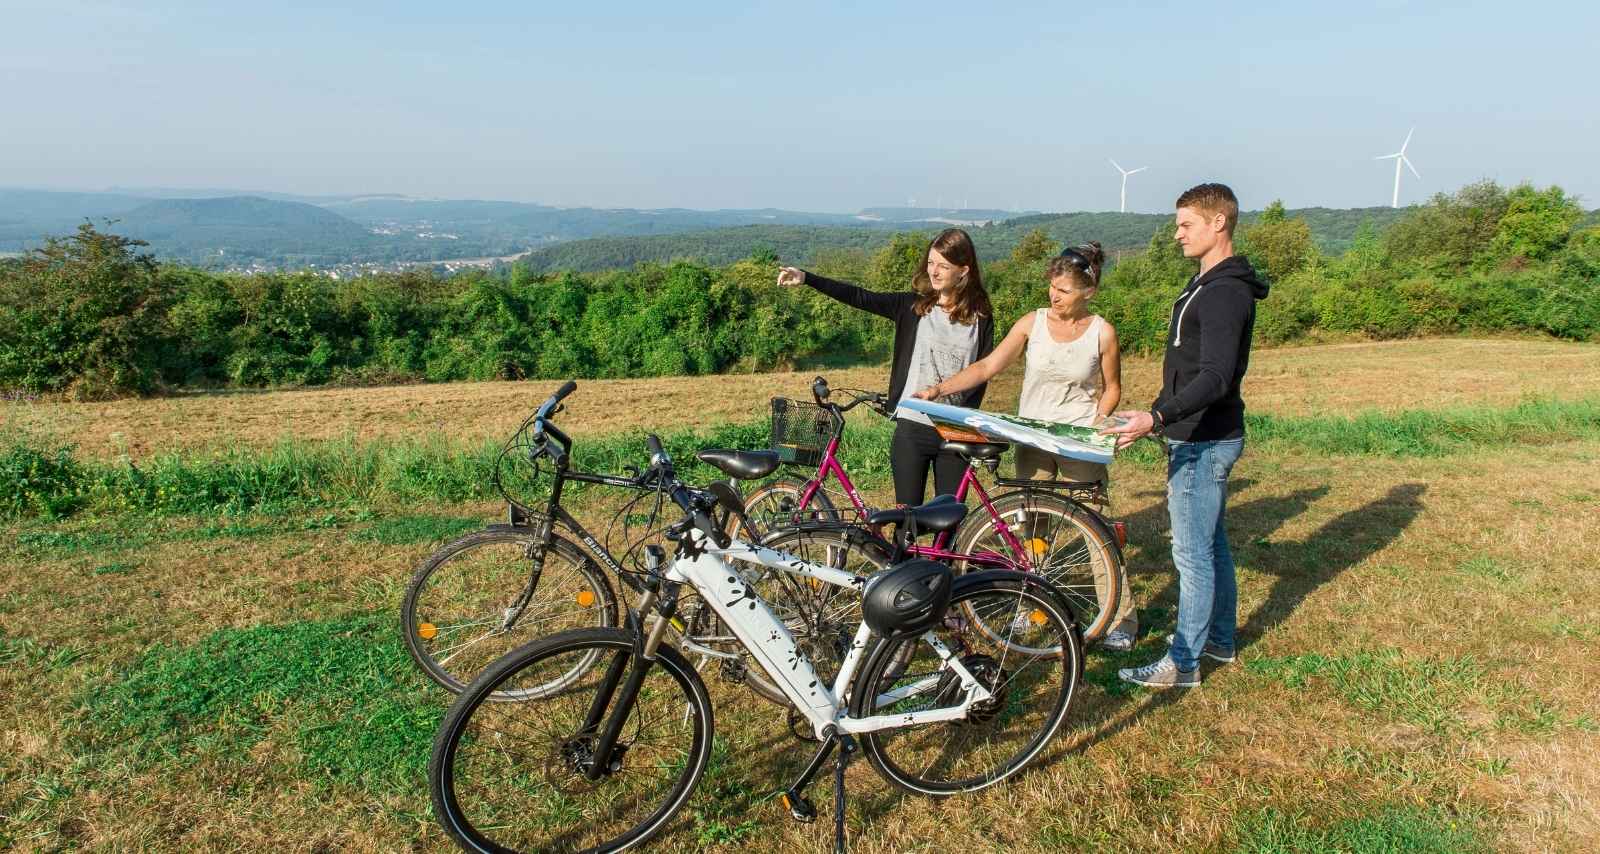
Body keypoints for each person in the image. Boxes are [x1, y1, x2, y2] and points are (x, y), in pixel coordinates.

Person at [910, 243, 1139, 650]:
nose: (1055, 296)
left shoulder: (1102, 332)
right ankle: (1030, 608)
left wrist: (1099, 424)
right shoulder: (1031, 323)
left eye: (1064, 291)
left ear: (1089, 291)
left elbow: (1112, 388)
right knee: (1030, 528)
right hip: (1032, 440)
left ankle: (1120, 619)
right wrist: (940, 389)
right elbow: (987, 367)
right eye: (1052, 287)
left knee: (1095, 529)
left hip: (1076, 442)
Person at [1103, 183, 1269, 688]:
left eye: (1185, 224)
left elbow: (1216, 376)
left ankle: (1183, 663)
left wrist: (1156, 418)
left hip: (1204, 440)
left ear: (1218, 223)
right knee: (1212, 545)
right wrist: (1159, 413)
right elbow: (1189, 366)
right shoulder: (1206, 283)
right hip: (1196, 433)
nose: (1177, 234)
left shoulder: (1223, 292)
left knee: (1192, 556)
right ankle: (1219, 641)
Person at [776, 228, 994, 506]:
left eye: (943, 265)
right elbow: (860, 296)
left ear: (963, 271)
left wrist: (969, 419)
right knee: (906, 518)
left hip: (956, 430)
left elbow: (983, 370)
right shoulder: (913, 307)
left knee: (949, 520)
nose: (934, 271)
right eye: (930, 263)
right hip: (913, 425)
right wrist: (807, 278)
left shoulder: (981, 317)